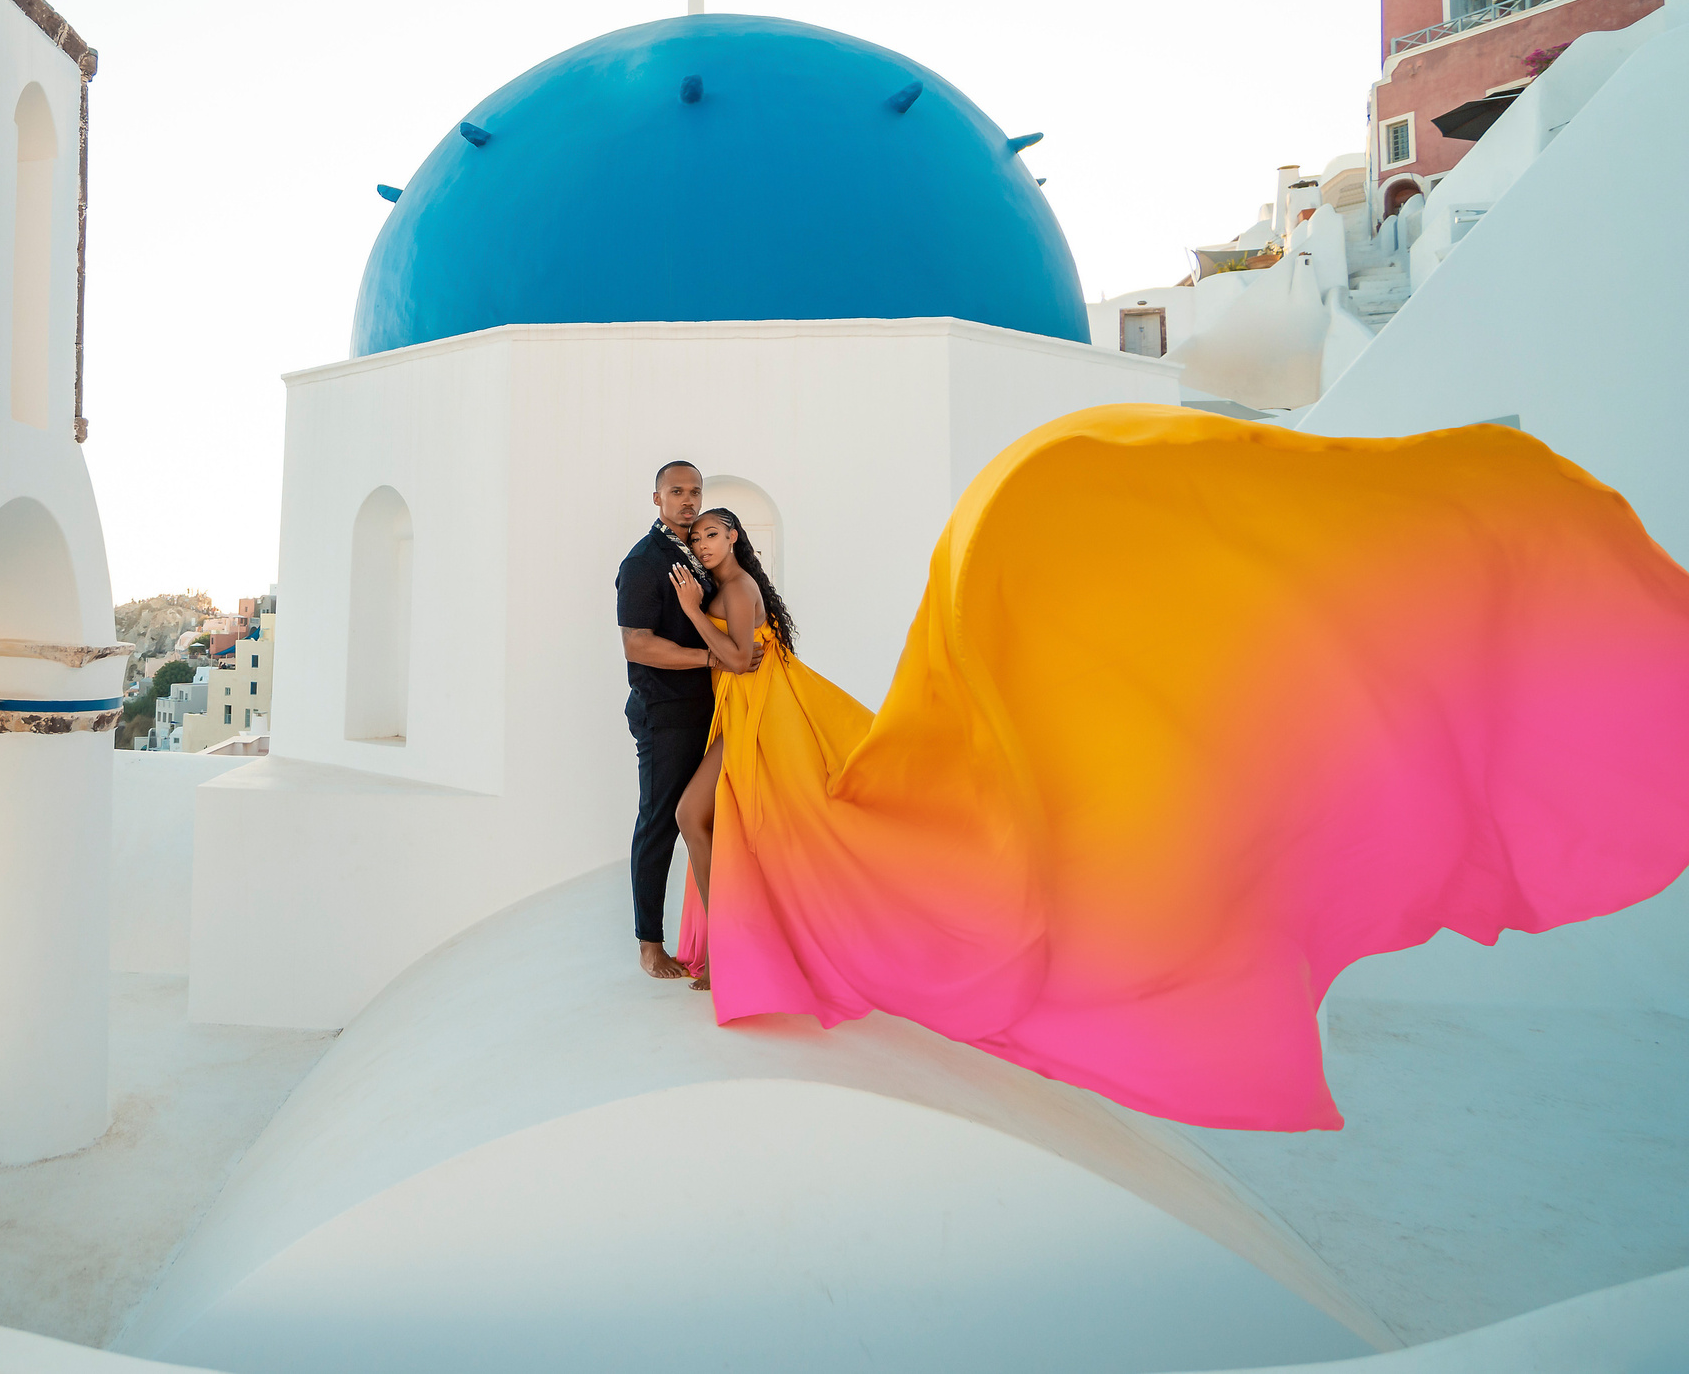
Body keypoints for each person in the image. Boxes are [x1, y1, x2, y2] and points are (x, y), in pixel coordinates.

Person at [653, 404, 1689, 1132]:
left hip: (764, 714)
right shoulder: (735, 582)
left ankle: (731, 952)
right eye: (702, 519)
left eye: (718, 518)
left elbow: (741, 658)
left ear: (735, 535)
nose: (713, 528)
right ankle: (728, 949)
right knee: (732, 820)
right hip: (759, 722)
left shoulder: (730, 593)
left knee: (740, 822)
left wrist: (697, 609)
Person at [614, 460, 756, 980]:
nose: (688, 499)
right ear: (657, 498)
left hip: (713, 709)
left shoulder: (699, 555)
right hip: (664, 712)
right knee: (661, 821)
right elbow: (638, 643)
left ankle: (726, 938)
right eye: (676, 491)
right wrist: (711, 659)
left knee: (710, 820)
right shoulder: (645, 562)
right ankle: (650, 943)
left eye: (695, 491)